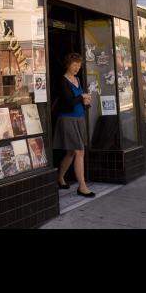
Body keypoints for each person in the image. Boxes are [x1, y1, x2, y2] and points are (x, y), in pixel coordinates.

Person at [54, 52, 95, 197]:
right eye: (75, 64)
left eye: (79, 65)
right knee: (79, 151)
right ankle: (82, 186)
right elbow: (69, 101)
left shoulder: (77, 79)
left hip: (79, 118)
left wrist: (86, 101)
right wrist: (81, 97)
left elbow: (78, 100)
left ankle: (59, 177)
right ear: (68, 65)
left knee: (71, 152)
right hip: (68, 119)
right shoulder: (63, 81)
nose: (77, 67)